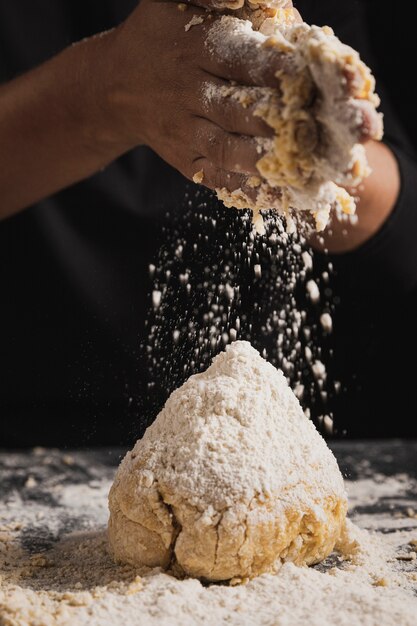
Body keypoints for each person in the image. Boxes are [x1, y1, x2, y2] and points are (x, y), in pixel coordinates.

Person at [0, 0, 415, 446]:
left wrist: (314, 150)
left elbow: (405, 237)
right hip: (23, 416)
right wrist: (101, 91)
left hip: (261, 431)